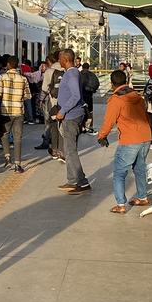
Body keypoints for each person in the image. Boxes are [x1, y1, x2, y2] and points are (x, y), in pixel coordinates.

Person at [97, 69, 152, 214]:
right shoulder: (137, 96)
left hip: (130, 140)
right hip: (145, 136)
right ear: (126, 81)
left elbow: (108, 122)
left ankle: (121, 204)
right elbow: (146, 116)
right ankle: (142, 197)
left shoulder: (116, 100)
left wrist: (101, 136)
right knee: (140, 168)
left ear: (112, 84)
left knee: (119, 173)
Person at [53, 49, 91, 194]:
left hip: (70, 117)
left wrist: (62, 111)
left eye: (60, 58)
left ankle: (74, 182)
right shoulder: (72, 73)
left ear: (65, 59)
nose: (59, 61)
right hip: (71, 115)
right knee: (70, 150)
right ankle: (81, 181)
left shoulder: (72, 74)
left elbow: (75, 96)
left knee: (70, 151)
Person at [0, 56, 32, 173]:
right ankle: (17, 164)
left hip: (5, 112)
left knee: (4, 134)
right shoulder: (23, 79)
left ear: (8, 65)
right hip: (18, 112)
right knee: (18, 138)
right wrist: (18, 97)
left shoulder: (2, 77)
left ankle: (7, 158)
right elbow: (28, 96)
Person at [41, 53, 65, 161]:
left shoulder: (49, 71)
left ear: (50, 62)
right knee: (63, 127)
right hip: (65, 103)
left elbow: (44, 90)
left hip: (53, 102)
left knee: (54, 126)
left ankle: (54, 151)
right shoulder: (67, 70)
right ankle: (62, 151)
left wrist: (40, 101)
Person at [80, 62, 100, 132]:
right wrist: (93, 90)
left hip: (81, 96)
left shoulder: (79, 74)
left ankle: (81, 126)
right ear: (88, 67)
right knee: (90, 111)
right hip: (89, 95)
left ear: (82, 67)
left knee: (81, 111)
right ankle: (90, 127)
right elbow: (97, 84)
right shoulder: (92, 75)